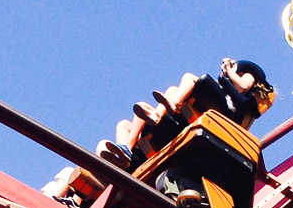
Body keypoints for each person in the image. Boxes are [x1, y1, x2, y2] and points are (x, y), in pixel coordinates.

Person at [97, 58, 274, 168]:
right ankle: (126, 150)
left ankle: (170, 106)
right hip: (214, 107)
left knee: (190, 77)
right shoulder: (229, 84)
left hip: (226, 111)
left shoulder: (251, 78)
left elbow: (243, 87)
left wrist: (228, 71)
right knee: (124, 124)